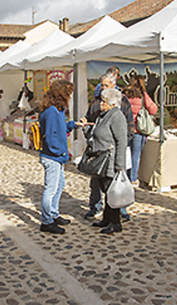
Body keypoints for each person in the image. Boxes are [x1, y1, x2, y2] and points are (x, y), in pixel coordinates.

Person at [84, 72, 134, 219]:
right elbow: (92, 121)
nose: (100, 104)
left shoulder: (119, 109)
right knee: (98, 184)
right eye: (101, 84)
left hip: (111, 156)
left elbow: (123, 137)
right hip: (99, 153)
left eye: (105, 85)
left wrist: (120, 163)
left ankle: (116, 216)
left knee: (112, 188)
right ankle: (102, 214)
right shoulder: (99, 106)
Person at [39, 80, 78, 234]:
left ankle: (53, 214)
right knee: (50, 189)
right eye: (69, 93)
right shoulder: (51, 112)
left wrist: (73, 125)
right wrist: (61, 152)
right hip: (52, 157)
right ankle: (47, 221)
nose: (70, 96)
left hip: (57, 157)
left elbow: (60, 129)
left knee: (59, 185)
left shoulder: (58, 110)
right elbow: (50, 137)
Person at [124, 74, 158, 184]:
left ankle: (124, 176)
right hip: (138, 129)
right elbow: (153, 110)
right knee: (136, 154)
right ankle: (133, 178)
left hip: (125, 128)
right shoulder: (142, 96)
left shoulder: (124, 95)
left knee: (125, 153)